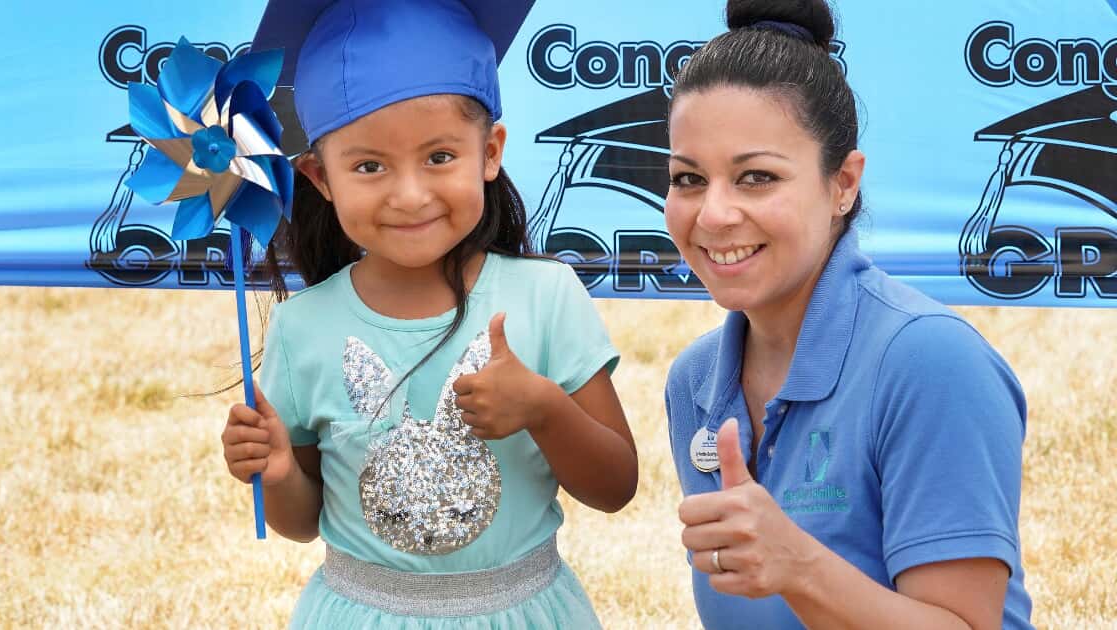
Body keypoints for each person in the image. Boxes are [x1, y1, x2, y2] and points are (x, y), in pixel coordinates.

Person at [218, 1, 639, 627]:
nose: (410, 194)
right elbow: (300, 523)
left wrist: (544, 408)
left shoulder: (546, 298)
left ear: (490, 152)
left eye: (439, 157)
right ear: (319, 176)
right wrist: (277, 473)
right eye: (368, 166)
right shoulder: (302, 327)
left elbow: (616, 487)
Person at [662, 1, 1034, 628]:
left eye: (755, 177)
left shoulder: (930, 362)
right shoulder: (694, 381)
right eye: (688, 178)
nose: (713, 214)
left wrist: (799, 565)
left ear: (843, 183)